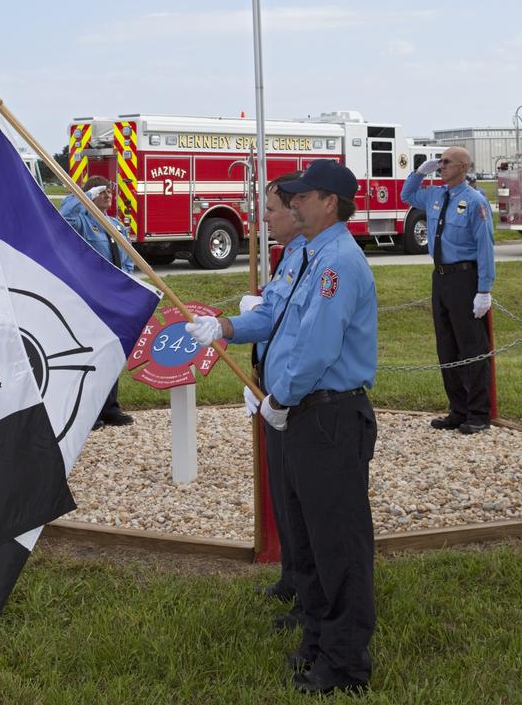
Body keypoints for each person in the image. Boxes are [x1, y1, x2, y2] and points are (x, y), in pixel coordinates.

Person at [187, 161, 378, 695]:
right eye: (289, 198)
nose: (290, 206)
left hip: (327, 415)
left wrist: (279, 397)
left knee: (338, 544)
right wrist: (224, 327)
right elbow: (273, 314)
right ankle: (317, 639)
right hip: (303, 413)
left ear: (330, 203)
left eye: (301, 197)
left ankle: (345, 663)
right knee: (311, 536)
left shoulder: (338, 261)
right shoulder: (308, 254)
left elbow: (316, 347)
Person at [241, 175, 305, 624]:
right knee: (283, 497)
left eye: (272, 209)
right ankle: (293, 578)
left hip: (297, 400)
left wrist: (278, 391)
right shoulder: (287, 256)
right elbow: (271, 319)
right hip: (274, 389)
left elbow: (306, 338)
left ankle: (309, 594)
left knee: (303, 506)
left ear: (298, 212)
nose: (263, 216)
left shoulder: (313, 259)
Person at [401, 147, 495, 434]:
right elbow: (406, 196)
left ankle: (478, 413)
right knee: (447, 346)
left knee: (471, 346)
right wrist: (419, 173)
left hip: (464, 278)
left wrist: (484, 289)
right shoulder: (435, 195)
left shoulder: (475, 201)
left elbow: (485, 248)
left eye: (446, 162)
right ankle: (458, 409)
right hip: (440, 278)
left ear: (463, 167)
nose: (441, 166)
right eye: (439, 161)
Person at [59, 176, 135, 427]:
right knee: (86, 354)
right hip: (87, 296)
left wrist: (123, 285)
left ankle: (109, 407)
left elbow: (127, 260)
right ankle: (84, 411)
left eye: (110, 192)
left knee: (110, 352)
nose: (108, 195)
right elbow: (64, 216)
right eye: (102, 191)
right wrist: (86, 195)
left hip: (112, 298)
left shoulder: (115, 225)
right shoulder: (80, 222)